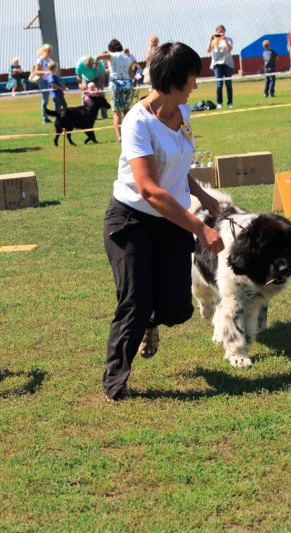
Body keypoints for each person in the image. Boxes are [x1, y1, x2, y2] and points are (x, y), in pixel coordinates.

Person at [102, 41, 224, 402]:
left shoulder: (183, 111)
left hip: (170, 222)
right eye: (192, 77)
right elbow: (150, 188)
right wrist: (199, 226)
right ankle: (115, 382)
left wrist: (200, 194)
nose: (196, 85)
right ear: (174, 79)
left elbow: (178, 163)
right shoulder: (137, 123)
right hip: (131, 221)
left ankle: (152, 323)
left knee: (176, 308)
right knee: (135, 300)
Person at [97, 39, 135, 143]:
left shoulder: (112, 55)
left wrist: (95, 62)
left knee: (116, 113)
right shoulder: (128, 59)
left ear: (110, 48)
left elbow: (99, 56)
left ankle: (119, 137)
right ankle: (131, 134)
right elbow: (132, 74)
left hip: (116, 86)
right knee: (126, 111)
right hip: (127, 85)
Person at [207, 25, 234, 109]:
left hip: (227, 63)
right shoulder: (214, 41)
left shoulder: (229, 39)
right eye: (218, 32)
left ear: (224, 32)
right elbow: (208, 51)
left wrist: (224, 39)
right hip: (217, 64)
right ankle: (219, 103)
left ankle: (230, 103)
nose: (220, 33)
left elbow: (229, 49)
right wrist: (210, 40)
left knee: (228, 83)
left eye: (221, 31)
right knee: (219, 84)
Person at [33, 44, 54, 123]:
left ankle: (52, 116)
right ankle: (44, 118)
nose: (48, 52)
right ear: (43, 51)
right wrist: (46, 72)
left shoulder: (51, 60)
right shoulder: (40, 60)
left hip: (49, 80)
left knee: (51, 98)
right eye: (47, 51)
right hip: (43, 80)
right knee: (45, 99)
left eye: (50, 51)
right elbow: (36, 71)